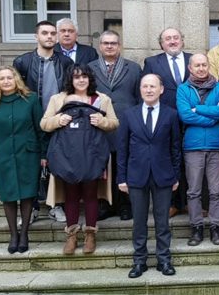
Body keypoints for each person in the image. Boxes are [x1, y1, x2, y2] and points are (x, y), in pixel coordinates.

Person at [41, 65, 119, 255]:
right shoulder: (58, 99)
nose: (81, 80)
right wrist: (58, 120)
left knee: (91, 195)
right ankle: (72, 235)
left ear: (89, 79)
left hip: (93, 154)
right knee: (71, 196)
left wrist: (102, 122)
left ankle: (91, 235)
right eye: (77, 77)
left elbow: (114, 123)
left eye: (84, 76)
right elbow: (44, 123)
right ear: (71, 80)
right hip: (67, 155)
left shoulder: (101, 99)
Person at [117, 74, 181, 278]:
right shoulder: (129, 114)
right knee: (139, 221)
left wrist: (175, 176)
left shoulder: (171, 114)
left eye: (153, 86)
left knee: (162, 221)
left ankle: (164, 260)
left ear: (161, 89)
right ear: (140, 89)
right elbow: (123, 149)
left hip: (163, 175)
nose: (149, 90)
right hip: (136, 175)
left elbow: (175, 148)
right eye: (145, 86)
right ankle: (139, 261)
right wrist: (122, 178)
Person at [0, 66, 47, 253]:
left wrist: (43, 154)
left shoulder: (30, 99)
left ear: (16, 79)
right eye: (2, 78)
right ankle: (13, 235)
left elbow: (39, 128)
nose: (6, 81)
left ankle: (24, 234)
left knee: (27, 194)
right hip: (2, 157)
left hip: (28, 155)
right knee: (7, 195)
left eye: (10, 77)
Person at [13, 20, 74, 224]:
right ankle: (32, 209)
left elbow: (69, 91)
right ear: (36, 36)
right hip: (30, 123)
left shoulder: (65, 63)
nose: (49, 36)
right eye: (45, 33)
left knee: (56, 165)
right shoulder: (22, 62)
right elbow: (17, 93)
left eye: (52, 33)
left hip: (57, 121)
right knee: (30, 167)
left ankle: (55, 205)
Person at [88, 30, 141, 221]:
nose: (109, 46)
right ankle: (105, 204)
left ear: (119, 46)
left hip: (125, 124)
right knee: (102, 167)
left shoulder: (133, 68)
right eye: (105, 43)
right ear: (100, 46)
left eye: (113, 43)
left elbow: (139, 98)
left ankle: (124, 205)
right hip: (99, 125)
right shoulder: (89, 68)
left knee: (124, 165)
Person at [177, 54, 219, 246]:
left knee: (216, 191)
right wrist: (211, 114)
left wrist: (196, 109)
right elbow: (184, 116)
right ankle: (196, 228)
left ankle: (216, 227)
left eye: (204, 65)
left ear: (209, 66)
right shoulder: (183, 89)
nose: (201, 68)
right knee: (194, 191)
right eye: (197, 65)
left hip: (216, 145)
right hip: (193, 146)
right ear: (190, 68)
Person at [143, 27, 191, 217]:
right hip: (164, 119)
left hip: (191, 120)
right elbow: (146, 93)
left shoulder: (193, 60)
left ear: (182, 40)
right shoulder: (152, 62)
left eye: (176, 38)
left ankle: (188, 202)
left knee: (190, 161)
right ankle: (171, 203)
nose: (172, 41)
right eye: (167, 39)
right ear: (161, 44)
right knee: (168, 160)